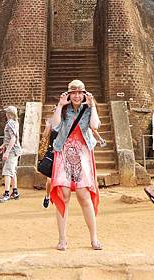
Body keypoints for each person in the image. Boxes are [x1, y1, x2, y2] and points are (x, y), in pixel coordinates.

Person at [50, 79, 102, 251]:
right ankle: (62, 239)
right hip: (64, 152)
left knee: (83, 195)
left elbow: (94, 125)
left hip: (82, 153)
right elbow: (55, 125)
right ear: (69, 94)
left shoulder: (88, 109)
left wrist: (93, 105)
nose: (77, 96)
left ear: (84, 94)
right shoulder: (63, 109)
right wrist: (59, 105)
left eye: (80, 92)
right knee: (63, 195)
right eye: (74, 92)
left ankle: (94, 238)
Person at [0, 106, 22, 203]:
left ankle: (6, 193)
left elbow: (13, 139)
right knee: (12, 171)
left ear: (9, 114)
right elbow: (10, 138)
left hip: (12, 151)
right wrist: (3, 146)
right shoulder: (15, 123)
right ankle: (15, 192)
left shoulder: (10, 123)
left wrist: (7, 152)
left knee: (7, 171)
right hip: (14, 150)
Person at [38, 118, 58, 208]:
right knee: (49, 180)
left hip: (62, 153)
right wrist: (47, 126)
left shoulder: (67, 120)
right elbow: (45, 135)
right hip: (51, 153)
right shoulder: (52, 122)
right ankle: (47, 196)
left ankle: (58, 198)